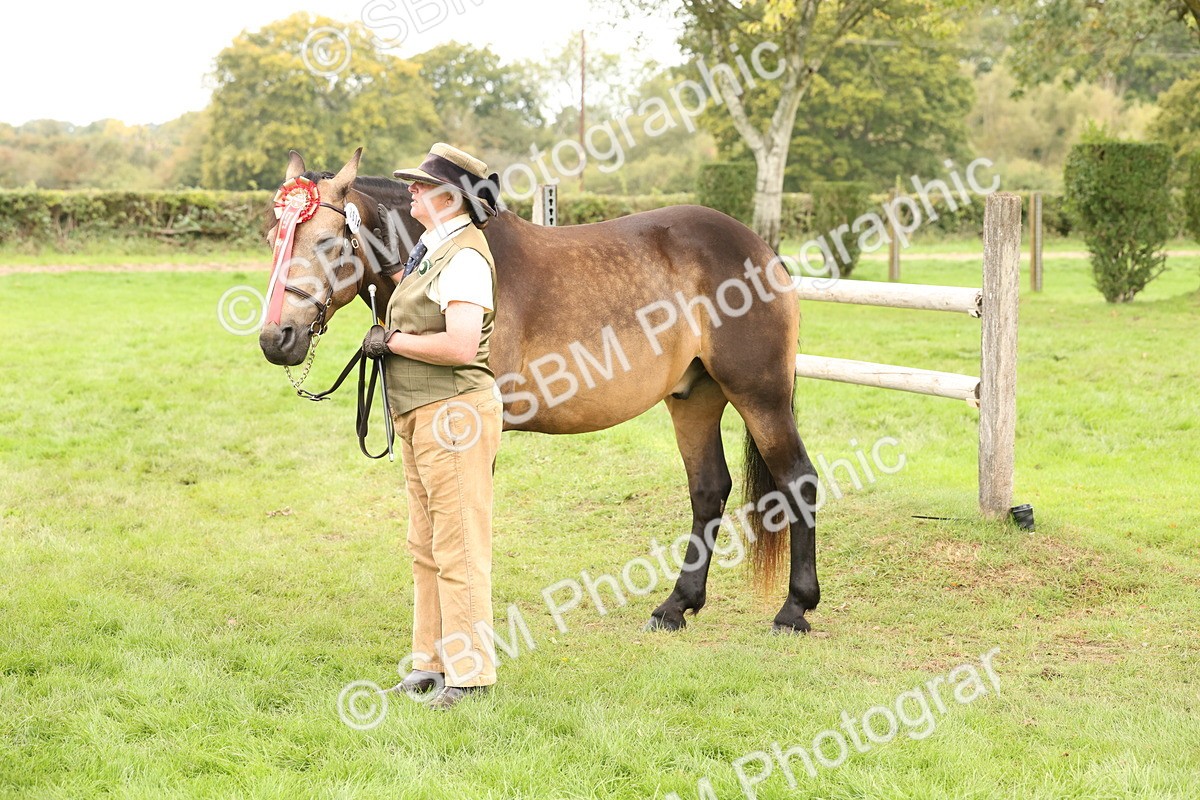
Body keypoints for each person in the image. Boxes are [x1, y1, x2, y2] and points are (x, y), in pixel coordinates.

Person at [362, 143, 503, 711]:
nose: (411, 192)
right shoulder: (432, 248)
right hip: (422, 413)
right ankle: (430, 663)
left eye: (422, 186)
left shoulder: (465, 258)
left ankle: (470, 675)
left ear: (451, 199)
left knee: (459, 545)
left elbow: (462, 346)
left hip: (454, 415)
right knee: (425, 545)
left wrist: (393, 341)